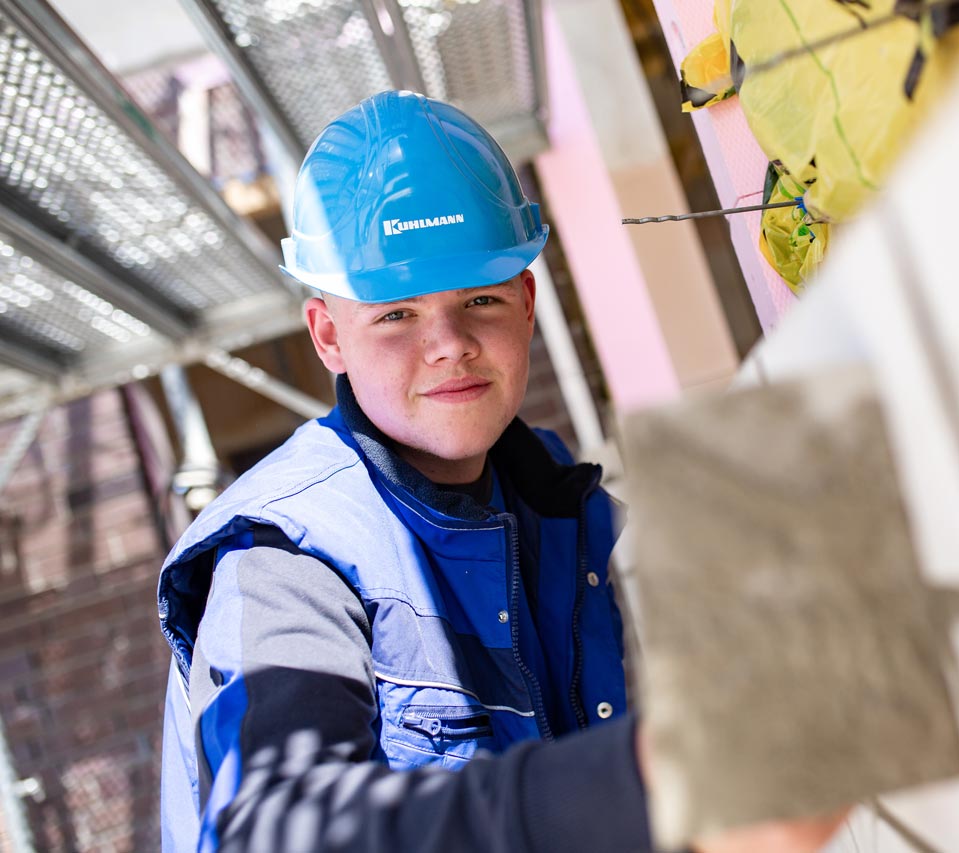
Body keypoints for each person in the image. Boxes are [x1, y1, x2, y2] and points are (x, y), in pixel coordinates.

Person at [157, 90, 845, 853]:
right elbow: (280, 830)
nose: (450, 342)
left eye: (479, 297)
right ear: (329, 336)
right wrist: (647, 783)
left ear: (525, 301)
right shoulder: (282, 562)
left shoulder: (563, 514)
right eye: (395, 312)